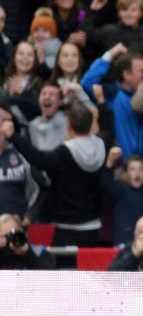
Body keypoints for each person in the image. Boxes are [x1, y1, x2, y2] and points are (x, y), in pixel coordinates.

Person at [3, 103, 104, 247]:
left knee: (59, 268)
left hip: (67, 228)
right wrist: (102, 105)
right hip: (93, 226)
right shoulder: (101, 145)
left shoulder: (64, 153)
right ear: (91, 124)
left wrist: (13, 136)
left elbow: (37, 158)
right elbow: (108, 130)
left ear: (69, 125)